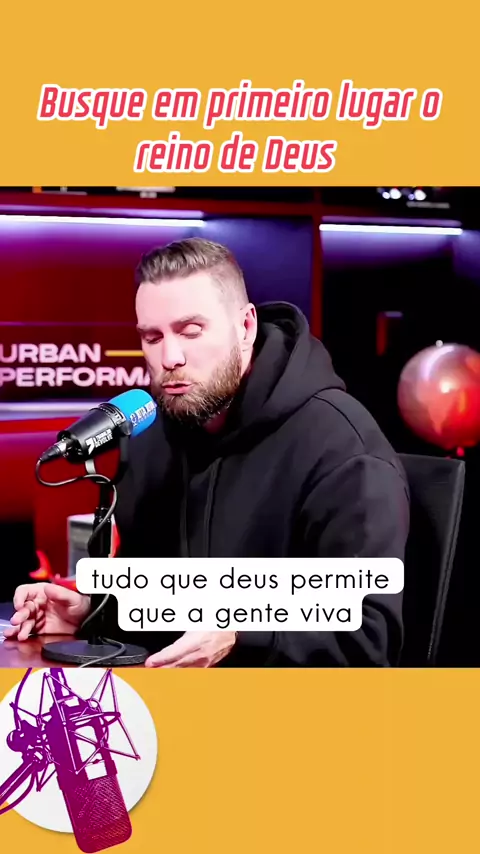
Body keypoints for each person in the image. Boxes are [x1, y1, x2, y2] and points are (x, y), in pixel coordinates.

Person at [7, 237, 410, 667]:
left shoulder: (341, 448)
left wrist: (239, 633)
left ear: (246, 327)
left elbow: (368, 639)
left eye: (190, 331)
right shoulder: (155, 434)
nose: (170, 357)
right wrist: (92, 614)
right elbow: (161, 597)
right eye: (152, 337)